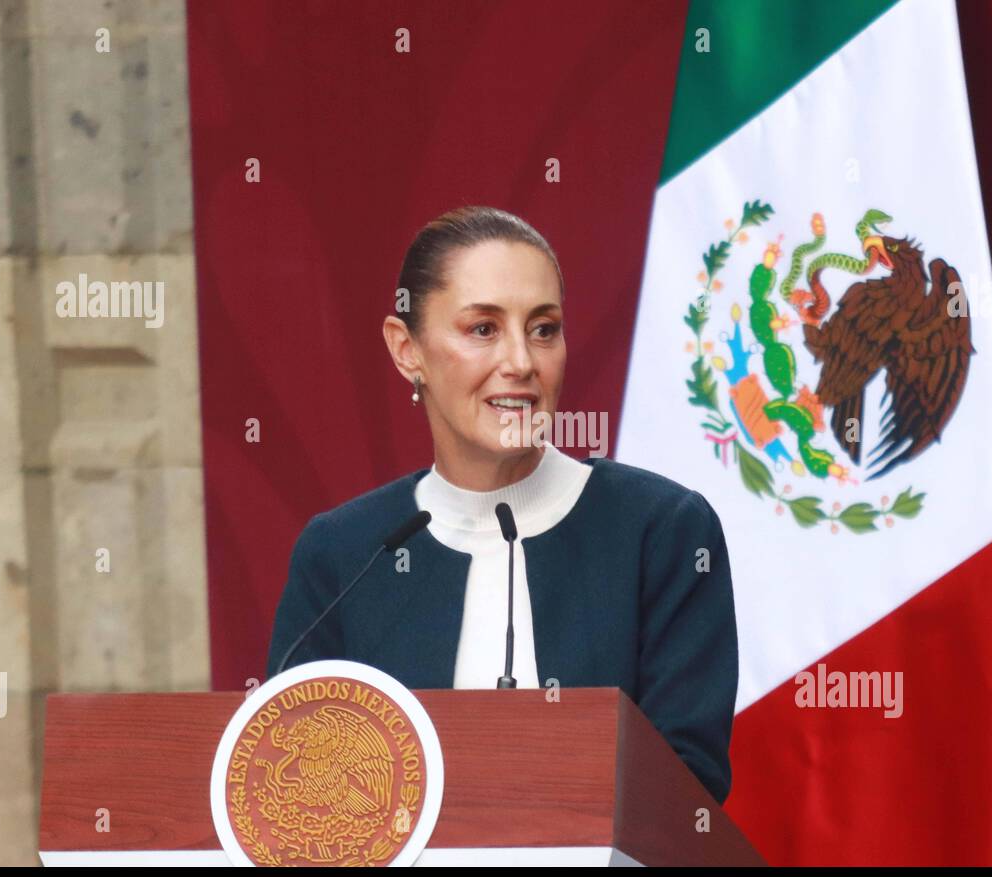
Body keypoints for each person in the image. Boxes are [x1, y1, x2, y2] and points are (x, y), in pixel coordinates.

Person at [266, 206, 739, 803]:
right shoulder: (342, 553)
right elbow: (289, 787)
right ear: (407, 349)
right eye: (483, 329)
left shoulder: (662, 531)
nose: (520, 362)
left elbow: (685, 792)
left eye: (543, 329)